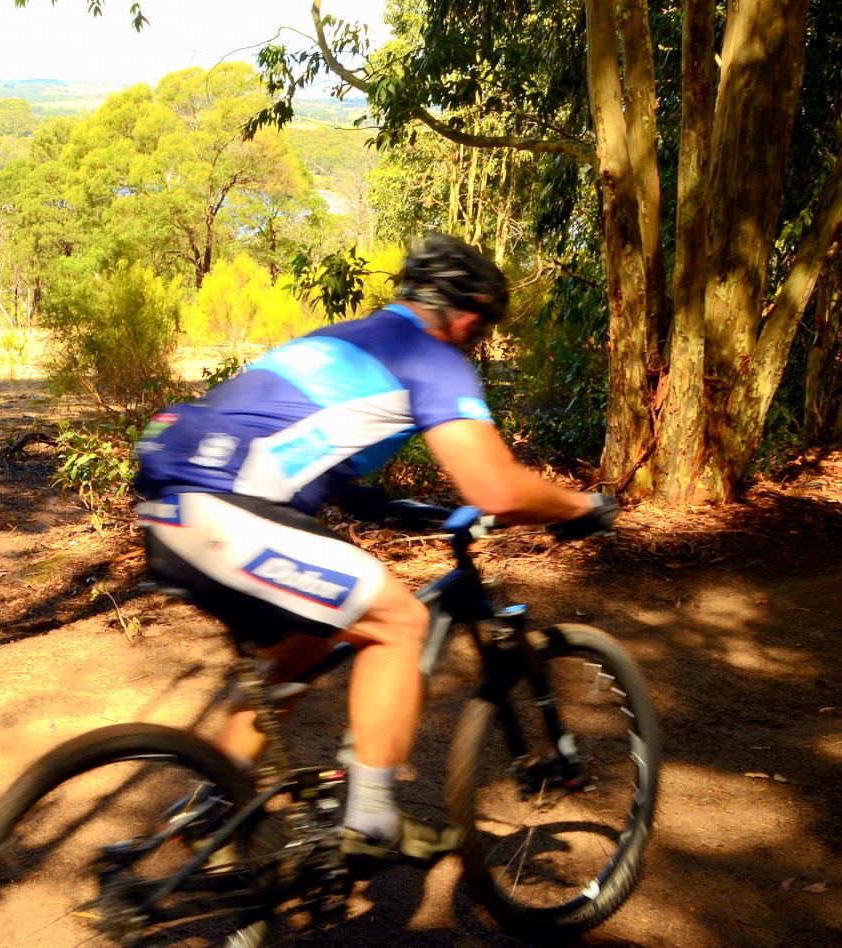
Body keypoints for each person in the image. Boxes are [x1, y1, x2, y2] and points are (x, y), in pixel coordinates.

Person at [133, 232, 617, 864]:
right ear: (465, 313)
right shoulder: (432, 356)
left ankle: (212, 805)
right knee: (400, 621)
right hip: (226, 513)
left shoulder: (339, 338)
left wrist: (377, 503)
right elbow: (496, 488)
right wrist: (584, 506)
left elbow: (290, 434)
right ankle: (370, 818)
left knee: (306, 645)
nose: (478, 339)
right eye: (481, 326)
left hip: (171, 511)